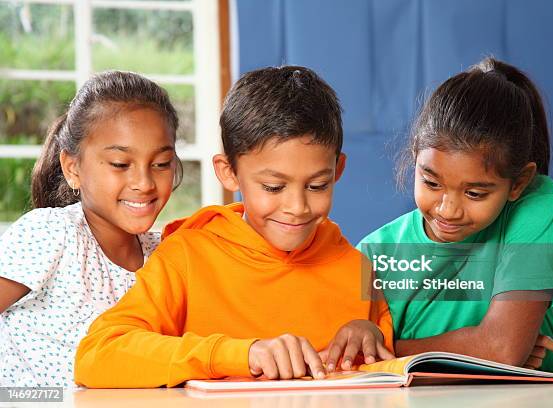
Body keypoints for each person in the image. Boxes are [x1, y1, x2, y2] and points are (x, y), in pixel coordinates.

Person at [74, 66, 395, 388]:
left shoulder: (357, 266)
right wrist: (241, 354)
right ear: (228, 172)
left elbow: (387, 370)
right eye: (273, 187)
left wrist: (370, 333)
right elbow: (97, 356)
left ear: (337, 170)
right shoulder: (187, 257)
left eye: (317, 186)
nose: (297, 208)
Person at [358, 57, 553, 372]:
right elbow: (349, 363)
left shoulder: (538, 203)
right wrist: (479, 357)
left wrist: (388, 354)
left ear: (518, 183)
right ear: (415, 158)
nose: (448, 209)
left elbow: (501, 349)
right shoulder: (373, 254)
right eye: (431, 183)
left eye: (475, 193)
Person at [0, 71, 182, 387]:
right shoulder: (51, 234)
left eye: (161, 164)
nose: (144, 182)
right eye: (120, 164)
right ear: (73, 169)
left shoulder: (167, 254)